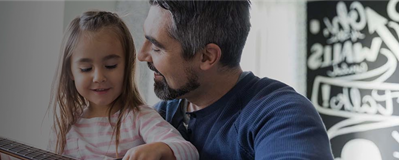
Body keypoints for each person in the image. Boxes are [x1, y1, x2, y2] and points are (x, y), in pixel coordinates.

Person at [0, 10, 198, 160]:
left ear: (127, 67)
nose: (98, 76)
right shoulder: (66, 127)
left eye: (111, 66)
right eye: (86, 68)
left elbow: (188, 151)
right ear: (70, 72)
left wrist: (161, 150)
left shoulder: (138, 117)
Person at [138, 0, 334, 160]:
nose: (142, 55)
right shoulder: (158, 118)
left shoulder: (282, 115)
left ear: (207, 57)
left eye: (157, 48)